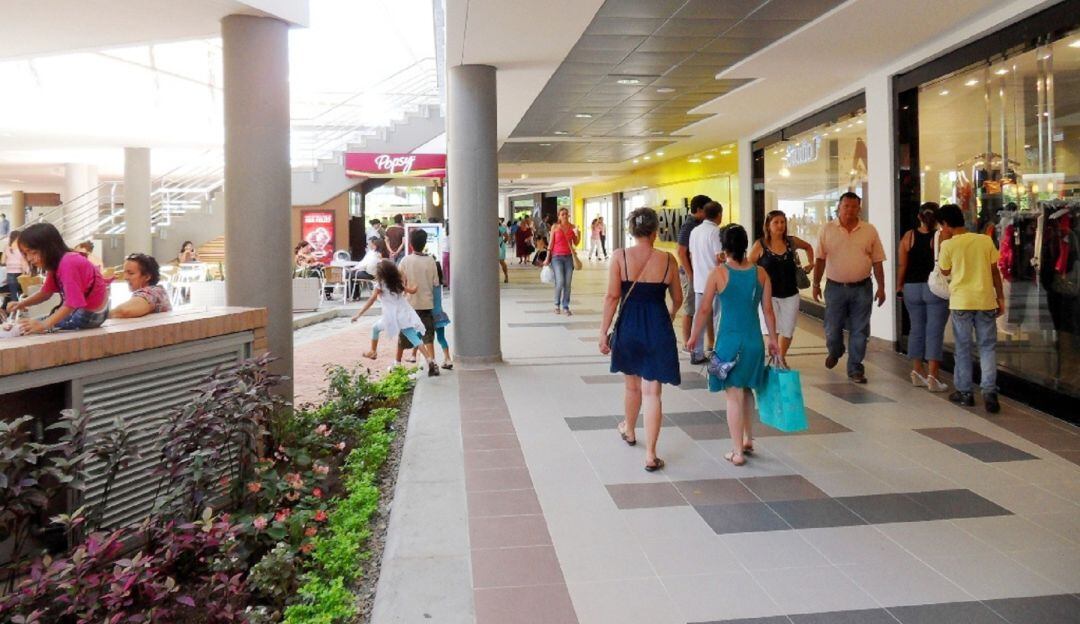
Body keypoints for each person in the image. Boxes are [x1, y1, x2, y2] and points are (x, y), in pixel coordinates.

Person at [689, 225, 780, 466]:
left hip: (729, 344)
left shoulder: (718, 273)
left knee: (733, 395)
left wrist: (693, 336)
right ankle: (749, 439)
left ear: (724, 247)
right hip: (754, 343)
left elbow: (705, 309)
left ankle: (737, 451)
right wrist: (773, 340)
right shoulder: (760, 273)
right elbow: (768, 311)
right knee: (748, 389)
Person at [599, 208, 682, 472]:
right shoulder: (669, 260)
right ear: (655, 232)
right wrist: (668, 315)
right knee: (653, 392)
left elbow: (612, 297)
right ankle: (651, 454)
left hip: (629, 327)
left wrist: (603, 332)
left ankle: (630, 429)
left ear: (631, 232)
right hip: (657, 326)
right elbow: (678, 299)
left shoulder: (619, 257)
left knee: (632, 386)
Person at [811, 192, 886, 384]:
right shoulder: (827, 229)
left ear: (859, 208)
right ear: (839, 207)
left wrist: (881, 287)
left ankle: (855, 368)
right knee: (832, 328)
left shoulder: (869, 230)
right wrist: (816, 284)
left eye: (854, 207)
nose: (850, 210)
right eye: (846, 206)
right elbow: (819, 259)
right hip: (835, 288)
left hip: (862, 288)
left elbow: (877, 261)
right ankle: (835, 351)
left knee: (860, 329)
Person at [937, 203, 1004, 413]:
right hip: (985, 300)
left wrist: (943, 243)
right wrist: (1000, 297)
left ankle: (965, 392)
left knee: (963, 348)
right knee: (987, 347)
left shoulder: (948, 245)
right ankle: (990, 392)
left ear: (946, 225)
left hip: (961, 303)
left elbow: (945, 271)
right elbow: (995, 272)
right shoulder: (984, 240)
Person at [5, 222, 109, 333]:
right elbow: (45, 293)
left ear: (50, 248)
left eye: (33, 252)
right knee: (27, 325)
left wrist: (43, 325)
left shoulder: (68, 262)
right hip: (92, 312)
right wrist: (22, 303)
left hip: (90, 315)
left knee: (26, 328)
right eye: (26, 254)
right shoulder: (57, 263)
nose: (29, 258)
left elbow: (72, 303)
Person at [896, 203, 950, 392]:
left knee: (916, 329)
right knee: (934, 331)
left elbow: (902, 265)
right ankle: (933, 376)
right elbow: (946, 266)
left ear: (919, 217)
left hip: (911, 288)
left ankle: (917, 371)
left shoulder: (908, 237)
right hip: (933, 288)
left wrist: (899, 286)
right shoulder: (942, 237)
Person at [749, 210, 815, 363]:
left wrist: (811, 263)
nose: (780, 226)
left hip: (790, 293)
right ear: (768, 225)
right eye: (776, 222)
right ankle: (777, 359)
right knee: (770, 329)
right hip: (768, 295)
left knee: (788, 329)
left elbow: (808, 247)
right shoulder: (760, 245)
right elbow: (749, 265)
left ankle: (780, 357)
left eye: (782, 222)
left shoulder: (791, 242)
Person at [350, 260, 438, 372]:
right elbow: (412, 291)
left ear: (381, 274)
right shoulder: (397, 283)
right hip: (404, 315)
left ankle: (373, 351)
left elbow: (371, 301)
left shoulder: (380, 285)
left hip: (391, 317)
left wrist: (358, 314)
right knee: (415, 339)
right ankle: (429, 360)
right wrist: (415, 286)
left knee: (375, 328)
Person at [398, 228, 442, 376]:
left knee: (404, 334)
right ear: (425, 243)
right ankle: (433, 362)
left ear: (410, 244)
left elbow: (400, 281)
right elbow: (436, 283)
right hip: (426, 304)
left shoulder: (405, 261)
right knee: (428, 335)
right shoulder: (431, 261)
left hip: (409, 305)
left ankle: (397, 364)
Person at [688, 201, 725, 364]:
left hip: (699, 282)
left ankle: (696, 353)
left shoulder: (695, 231)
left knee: (699, 318)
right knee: (718, 317)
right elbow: (720, 256)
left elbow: (691, 254)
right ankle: (720, 352)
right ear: (719, 215)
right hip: (715, 283)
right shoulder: (715, 231)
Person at [677, 195, 711, 353]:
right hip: (690, 273)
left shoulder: (699, 224)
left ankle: (704, 343)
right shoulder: (689, 225)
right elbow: (681, 252)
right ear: (699, 210)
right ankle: (686, 343)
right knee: (690, 309)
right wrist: (690, 274)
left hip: (699, 274)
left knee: (702, 309)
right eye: (707, 209)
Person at [110, 253, 172, 318]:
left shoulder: (152, 292)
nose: (125, 277)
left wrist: (102, 316)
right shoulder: (158, 290)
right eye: (124, 272)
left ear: (147, 277)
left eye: (131, 273)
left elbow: (124, 311)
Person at [544, 207, 579, 315]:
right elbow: (551, 243)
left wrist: (578, 234)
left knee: (567, 283)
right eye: (562, 214)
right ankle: (556, 304)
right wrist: (547, 257)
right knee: (560, 281)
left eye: (566, 214)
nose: (564, 216)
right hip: (556, 257)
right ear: (559, 216)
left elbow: (576, 243)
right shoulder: (555, 227)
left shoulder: (573, 227)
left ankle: (565, 306)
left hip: (569, 257)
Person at [4, 230, 28, 308]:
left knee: (14, 295)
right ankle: (20, 311)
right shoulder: (21, 247)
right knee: (23, 294)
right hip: (20, 273)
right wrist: (27, 272)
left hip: (10, 274)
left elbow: (3, 261)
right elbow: (23, 261)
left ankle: (14, 313)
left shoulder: (7, 248)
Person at [498, 217, 510, 284]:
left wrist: (502, 243)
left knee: (501, 261)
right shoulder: (489, 228)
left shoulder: (501, 228)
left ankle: (506, 276)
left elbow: (507, 237)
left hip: (500, 246)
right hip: (493, 247)